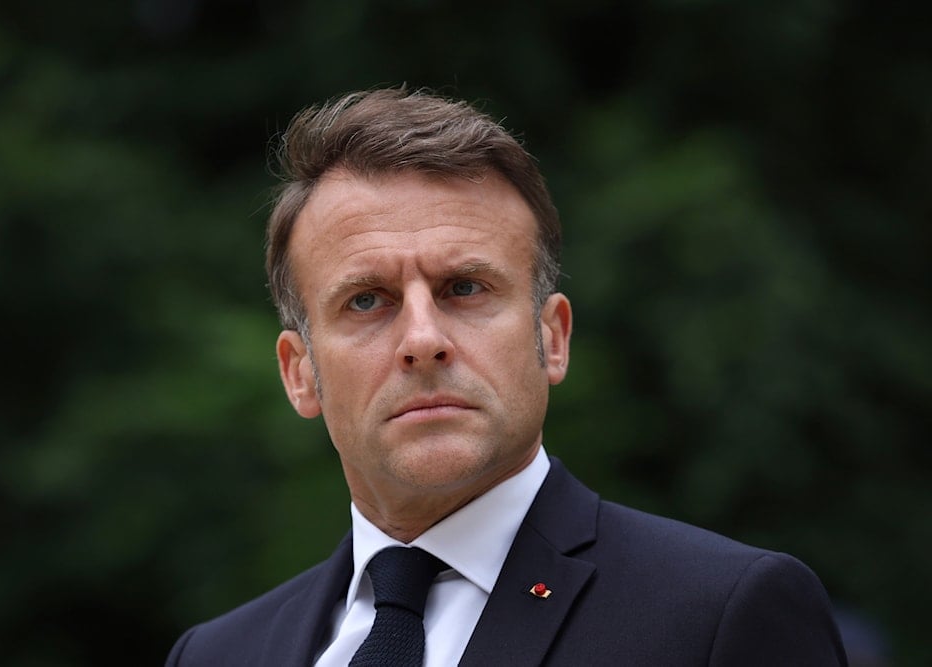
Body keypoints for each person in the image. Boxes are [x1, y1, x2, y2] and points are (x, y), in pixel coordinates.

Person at [166, 87, 847, 666]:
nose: (423, 339)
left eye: (465, 287)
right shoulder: (218, 654)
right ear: (300, 373)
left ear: (551, 337)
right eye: (366, 300)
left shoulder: (718, 616)